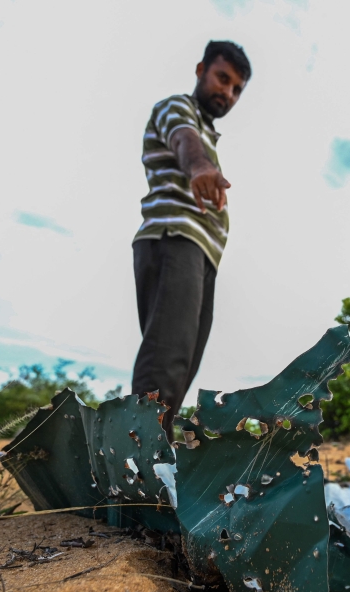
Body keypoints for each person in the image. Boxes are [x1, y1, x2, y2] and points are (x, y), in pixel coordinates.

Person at [131, 40, 251, 439]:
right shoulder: (177, 109)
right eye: (222, 78)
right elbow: (184, 141)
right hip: (175, 239)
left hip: (201, 254)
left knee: (182, 366)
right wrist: (199, 166)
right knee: (165, 363)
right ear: (201, 69)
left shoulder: (208, 131)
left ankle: (157, 461)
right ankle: (134, 478)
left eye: (236, 89)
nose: (227, 93)